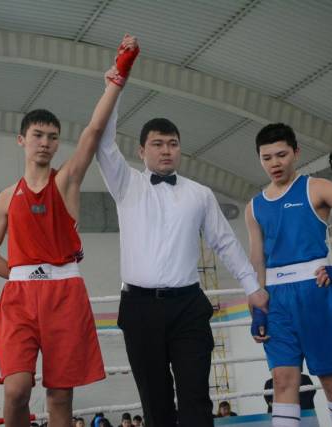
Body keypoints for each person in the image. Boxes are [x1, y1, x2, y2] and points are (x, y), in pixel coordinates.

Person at [0, 35, 140, 427]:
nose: (46, 143)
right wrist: (24, 275)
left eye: (52, 137)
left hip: (64, 294)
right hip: (20, 297)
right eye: (38, 135)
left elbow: (93, 131)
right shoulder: (6, 197)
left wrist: (118, 77)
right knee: (15, 390)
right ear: (22, 140)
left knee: (60, 397)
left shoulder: (65, 181)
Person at [95, 67, 269, 427]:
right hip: (140, 308)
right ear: (141, 150)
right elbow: (103, 142)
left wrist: (252, 287)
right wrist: (115, 88)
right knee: (155, 404)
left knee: (196, 400)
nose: (166, 150)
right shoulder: (126, 183)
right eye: (157, 144)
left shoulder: (199, 194)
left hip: (188, 307)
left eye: (173, 143)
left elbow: (225, 242)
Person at [245, 123, 332, 427]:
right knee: (282, 381)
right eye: (267, 158)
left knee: (331, 379)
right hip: (275, 300)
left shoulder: (316, 187)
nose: (275, 163)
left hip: (315, 291)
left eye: (281, 155)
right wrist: (256, 307)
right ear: (259, 159)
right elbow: (257, 260)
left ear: (296, 152)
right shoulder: (254, 207)